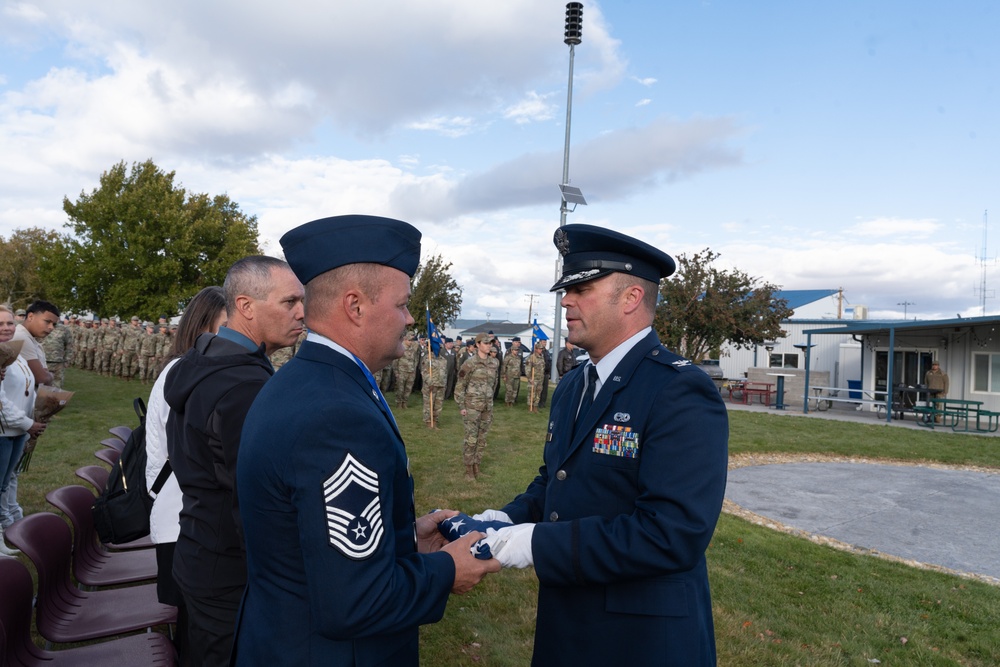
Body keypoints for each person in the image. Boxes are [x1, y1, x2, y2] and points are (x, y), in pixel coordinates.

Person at [233, 214, 498, 666]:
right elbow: (356, 602)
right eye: (402, 304)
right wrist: (448, 569)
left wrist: (403, 540)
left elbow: (313, 541)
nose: (411, 317)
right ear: (355, 306)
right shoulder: (335, 413)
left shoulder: (307, 381)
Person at [476, 224, 729, 666]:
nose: (565, 300)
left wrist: (535, 544)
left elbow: (672, 533)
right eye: (566, 289)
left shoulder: (678, 390)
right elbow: (559, 478)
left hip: (640, 638)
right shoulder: (574, 385)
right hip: (569, 622)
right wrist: (505, 518)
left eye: (581, 288)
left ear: (631, 298)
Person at [165, 257, 305, 667]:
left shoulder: (203, 360)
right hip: (230, 572)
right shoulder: (242, 386)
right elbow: (257, 500)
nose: (302, 312)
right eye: (289, 301)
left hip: (200, 551)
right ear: (245, 306)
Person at [145, 286, 228, 665]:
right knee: (197, 635)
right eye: (227, 326)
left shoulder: (184, 369)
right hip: (184, 520)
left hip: (181, 517)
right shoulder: (188, 373)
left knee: (195, 631)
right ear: (203, 326)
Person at [0, 304, 45, 555]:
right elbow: (1, 403)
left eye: (9, 323)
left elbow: (27, 387)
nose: (6, 328)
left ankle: (8, 527)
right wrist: (30, 423)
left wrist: (35, 415)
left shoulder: (13, 352)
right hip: (4, 431)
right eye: (0, 324)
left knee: (6, 483)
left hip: (17, 430)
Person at [454, 332, 499, 480]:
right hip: (472, 407)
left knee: (482, 438)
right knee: (471, 439)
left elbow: (494, 384)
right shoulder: (470, 363)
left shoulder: (494, 363)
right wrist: (462, 405)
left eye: (490, 343)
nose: (489, 345)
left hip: (487, 406)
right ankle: (468, 469)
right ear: (478, 345)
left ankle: (477, 465)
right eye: (486, 343)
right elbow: (460, 385)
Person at [13, 300, 60, 386]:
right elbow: (41, 378)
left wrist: (46, 375)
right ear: (30, 317)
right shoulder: (21, 337)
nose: (51, 327)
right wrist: (51, 376)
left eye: (54, 324)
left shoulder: (30, 338)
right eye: (47, 321)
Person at [420, 343, 448, 428]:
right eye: (436, 348)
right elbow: (424, 372)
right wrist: (430, 382)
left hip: (441, 385)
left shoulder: (443, 360)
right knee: (429, 404)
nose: (438, 349)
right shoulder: (427, 359)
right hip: (430, 386)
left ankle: (435, 420)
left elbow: (445, 373)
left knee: (438, 405)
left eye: (439, 348)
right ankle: (428, 421)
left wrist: (444, 384)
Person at [524, 340, 547, 412]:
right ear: (536, 349)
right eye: (539, 349)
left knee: (538, 393)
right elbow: (527, 368)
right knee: (532, 393)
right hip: (533, 378)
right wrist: (530, 378)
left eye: (541, 349)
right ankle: (530, 406)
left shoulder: (541, 357)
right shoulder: (532, 357)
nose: (541, 350)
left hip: (540, 378)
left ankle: (535, 406)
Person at [501, 337, 523, 406]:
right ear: (512, 350)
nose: (516, 351)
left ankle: (512, 402)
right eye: (515, 350)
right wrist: (503, 375)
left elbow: (520, 366)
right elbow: (504, 366)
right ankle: (507, 401)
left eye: (517, 350)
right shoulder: (508, 357)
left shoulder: (518, 358)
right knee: (509, 390)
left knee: (515, 390)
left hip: (517, 376)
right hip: (509, 376)